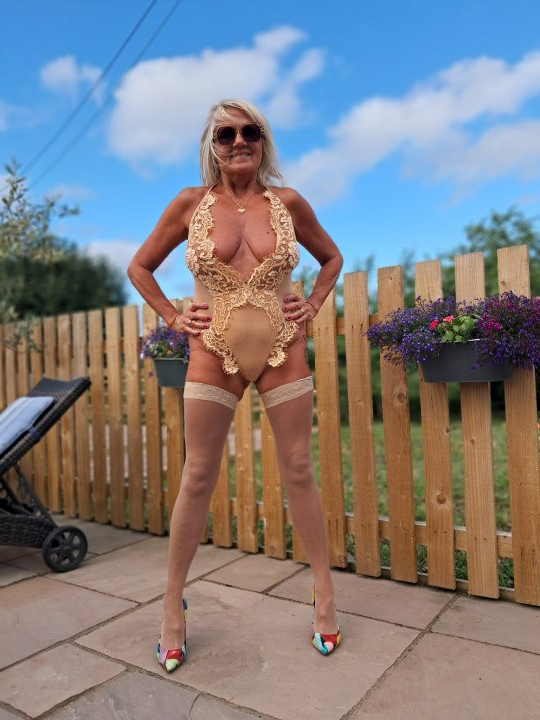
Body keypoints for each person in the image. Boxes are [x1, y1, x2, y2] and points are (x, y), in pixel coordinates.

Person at [127, 99, 344, 672]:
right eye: (226, 133)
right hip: (211, 353)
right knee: (198, 475)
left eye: (250, 131)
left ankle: (324, 594)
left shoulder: (288, 203)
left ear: (263, 141)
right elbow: (139, 267)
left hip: (283, 349)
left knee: (298, 469)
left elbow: (331, 258)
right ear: (213, 145)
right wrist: (172, 316)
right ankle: (172, 606)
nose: (239, 140)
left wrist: (314, 303)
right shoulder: (189, 204)